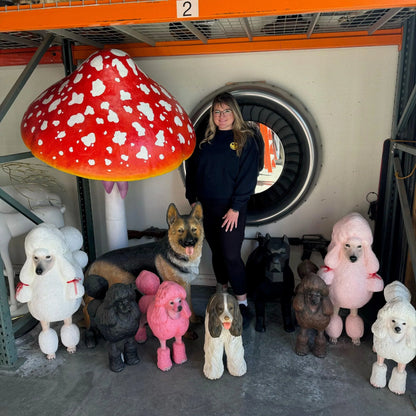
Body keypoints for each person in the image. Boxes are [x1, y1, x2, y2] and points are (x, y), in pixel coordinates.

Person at [185, 92, 260, 328]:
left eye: (227, 111)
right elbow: (193, 172)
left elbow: (249, 177)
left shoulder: (246, 140)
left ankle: (243, 303)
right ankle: (222, 294)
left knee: (230, 255)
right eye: (217, 111)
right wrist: (193, 201)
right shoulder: (204, 141)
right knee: (217, 253)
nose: (222, 116)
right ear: (212, 115)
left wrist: (236, 207)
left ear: (234, 113)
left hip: (232, 210)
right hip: (206, 207)